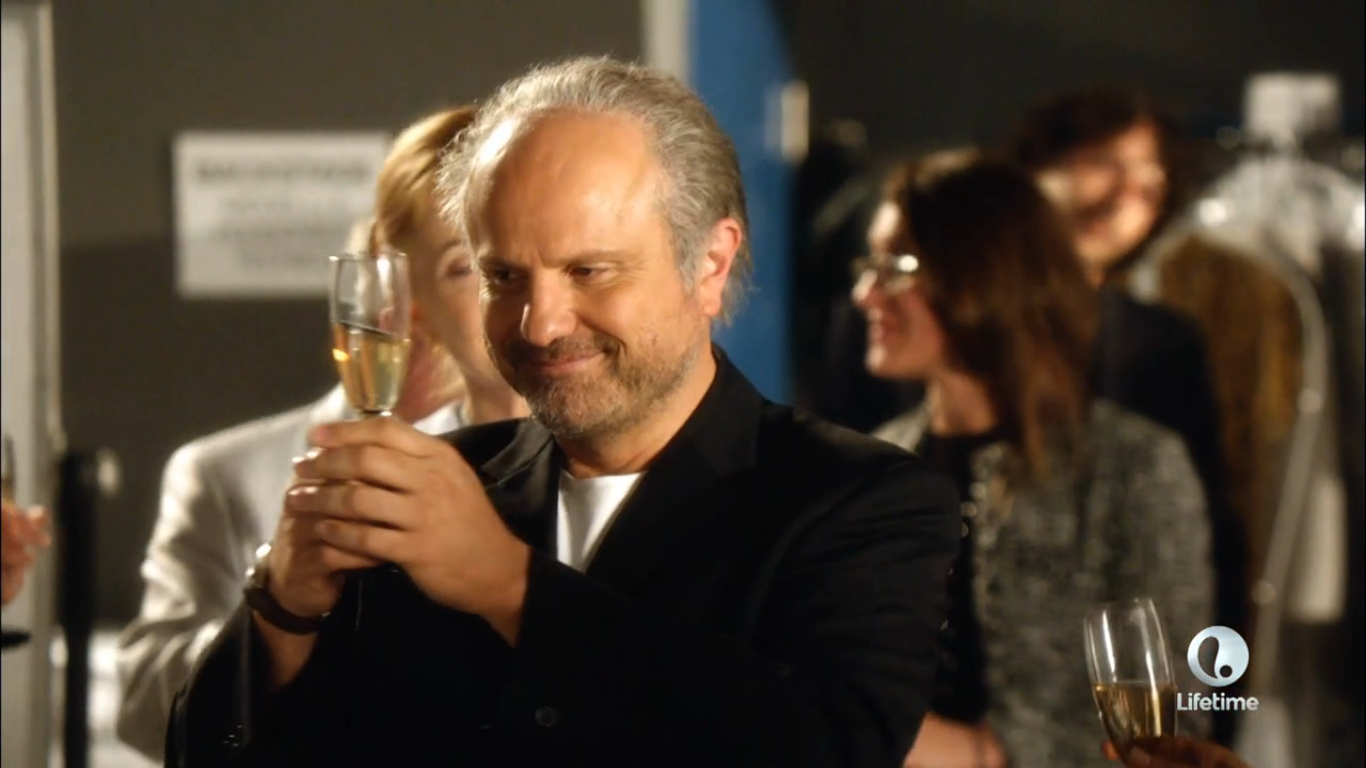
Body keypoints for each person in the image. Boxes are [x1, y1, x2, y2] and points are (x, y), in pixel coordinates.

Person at [165, 56, 961, 767]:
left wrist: (509, 586)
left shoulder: (861, 503)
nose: (540, 324)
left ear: (711, 263)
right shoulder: (437, 486)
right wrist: (284, 606)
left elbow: (817, 748)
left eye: (589, 271)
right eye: (504, 277)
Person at [115, 106, 529, 760]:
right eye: (467, 267)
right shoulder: (246, 475)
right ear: (401, 295)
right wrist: (278, 611)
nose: (512, 297)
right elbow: (156, 714)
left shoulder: (627, 467)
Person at [852, 151, 1213, 768]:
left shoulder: (1132, 466)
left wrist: (976, 753)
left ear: (983, 277)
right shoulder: (873, 468)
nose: (865, 294)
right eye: (869, 265)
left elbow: (1175, 724)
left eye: (898, 267)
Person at [1007, 88, 1249, 747]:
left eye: (1150, 181)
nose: (1125, 198)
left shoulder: (1164, 341)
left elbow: (1209, 533)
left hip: (1121, 694)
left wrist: (1216, 704)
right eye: (1102, 164)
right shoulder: (944, 323)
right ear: (1037, 167)